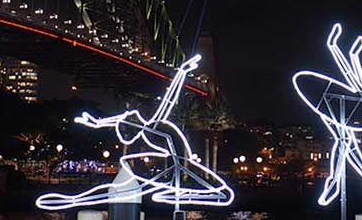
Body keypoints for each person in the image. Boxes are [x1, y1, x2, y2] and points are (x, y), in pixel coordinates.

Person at [36, 54, 233, 210]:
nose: (128, 133)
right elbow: (118, 120)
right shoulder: (150, 126)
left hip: (179, 162)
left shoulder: (154, 124)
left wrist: (183, 70)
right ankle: (72, 200)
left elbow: (170, 97)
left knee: (122, 187)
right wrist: (95, 122)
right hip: (175, 163)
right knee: (118, 188)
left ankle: (73, 200)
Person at [293, 23, 362, 207]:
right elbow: (350, 69)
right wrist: (337, 46)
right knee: (344, 141)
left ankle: (345, 183)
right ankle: (346, 183)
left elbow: (352, 66)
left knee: (345, 142)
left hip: (331, 107)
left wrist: (347, 49)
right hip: (328, 102)